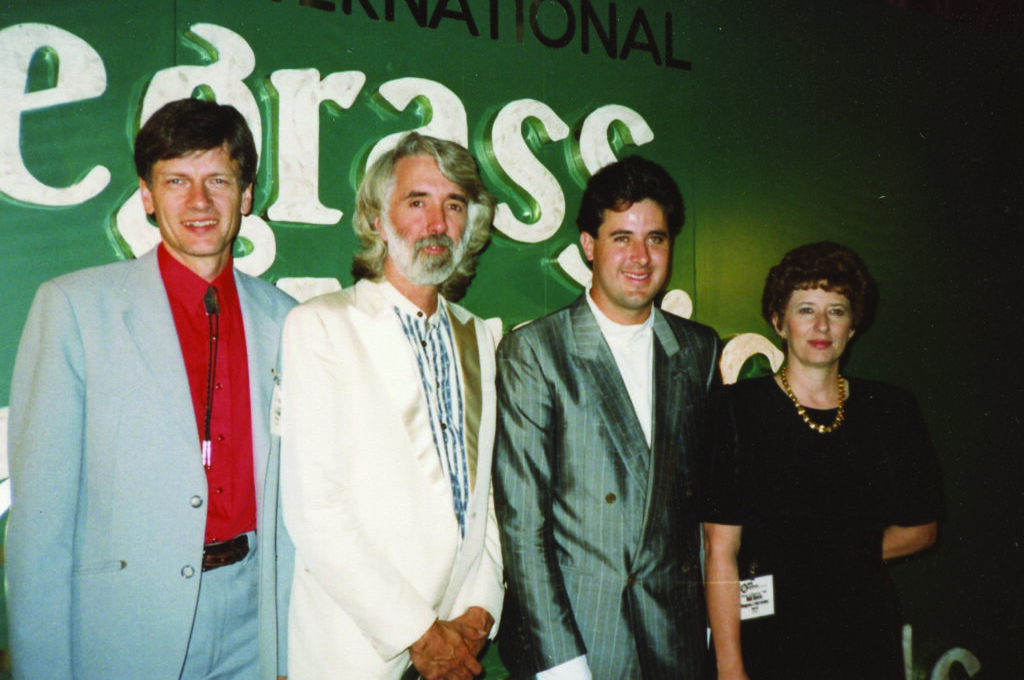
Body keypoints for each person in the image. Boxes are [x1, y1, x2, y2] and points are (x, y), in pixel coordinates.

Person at [5, 98, 296, 679]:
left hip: (256, 624)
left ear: (245, 196)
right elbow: (40, 527)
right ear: (146, 195)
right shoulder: (74, 308)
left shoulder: (290, 320)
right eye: (176, 181)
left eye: (218, 179)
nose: (198, 202)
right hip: (124, 626)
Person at [280, 132, 504, 679]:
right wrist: (422, 636)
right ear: (377, 221)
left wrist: (479, 612)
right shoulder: (320, 326)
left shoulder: (480, 337)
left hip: (459, 645)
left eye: (454, 205)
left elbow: (488, 497)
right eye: (417, 201)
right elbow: (316, 514)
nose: (437, 222)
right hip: (355, 650)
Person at [493, 155, 721, 679]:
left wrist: (707, 624)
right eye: (622, 238)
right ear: (589, 245)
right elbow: (524, 527)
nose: (641, 257)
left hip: (678, 639)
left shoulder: (698, 349)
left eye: (656, 239)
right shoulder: (536, 352)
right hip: (583, 639)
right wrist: (561, 664)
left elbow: (704, 510)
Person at [702, 241, 944, 680]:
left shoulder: (891, 408)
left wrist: (827, 554)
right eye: (805, 308)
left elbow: (922, 531)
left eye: (836, 310)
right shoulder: (736, 409)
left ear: (853, 326)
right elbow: (720, 551)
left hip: (864, 630)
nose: (821, 325)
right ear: (778, 321)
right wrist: (729, 666)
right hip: (770, 635)